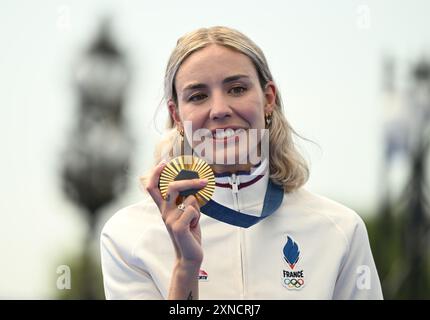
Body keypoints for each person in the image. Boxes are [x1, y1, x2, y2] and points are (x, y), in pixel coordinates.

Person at [100, 26, 383, 300]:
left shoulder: (340, 229)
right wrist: (186, 266)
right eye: (198, 96)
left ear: (268, 98)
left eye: (236, 89)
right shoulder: (128, 235)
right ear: (177, 116)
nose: (220, 110)